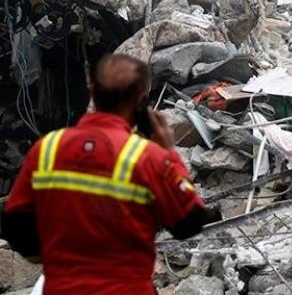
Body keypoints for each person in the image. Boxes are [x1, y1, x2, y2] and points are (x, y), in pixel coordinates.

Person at [1, 54, 216, 294]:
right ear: (140, 100)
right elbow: (189, 222)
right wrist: (168, 152)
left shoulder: (47, 148)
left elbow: (14, 225)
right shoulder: (148, 158)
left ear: (91, 91)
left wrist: (50, 258)